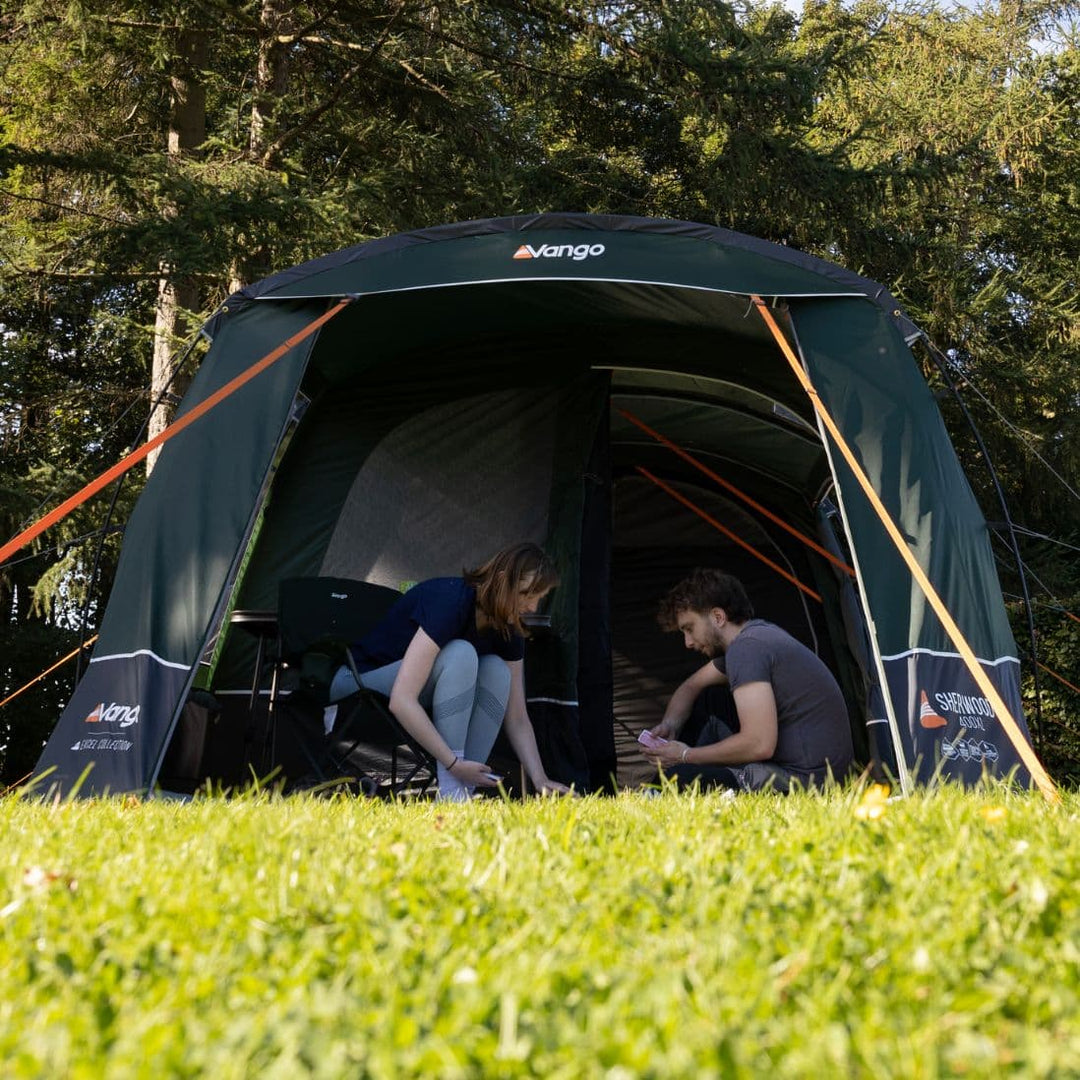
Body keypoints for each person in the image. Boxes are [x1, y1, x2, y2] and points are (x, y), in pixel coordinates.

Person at [328, 542, 572, 801]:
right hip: (355, 683)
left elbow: (518, 716)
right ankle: (453, 785)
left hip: (416, 697)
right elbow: (402, 700)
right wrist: (453, 764)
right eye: (527, 594)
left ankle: (462, 792)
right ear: (502, 581)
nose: (533, 607)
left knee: (496, 670)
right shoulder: (452, 601)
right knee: (460, 653)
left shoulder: (508, 627)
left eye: (539, 598)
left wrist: (540, 779)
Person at [640, 569, 854, 792]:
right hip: (810, 771)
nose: (688, 642)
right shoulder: (756, 637)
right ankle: (658, 786)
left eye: (689, 629)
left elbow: (759, 744)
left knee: (681, 777)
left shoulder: (747, 649)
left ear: (718, 617)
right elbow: (691, 686)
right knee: (711, 698)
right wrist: (670, 726)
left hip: (806, 783)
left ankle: (658, 789)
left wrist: (685, 755)